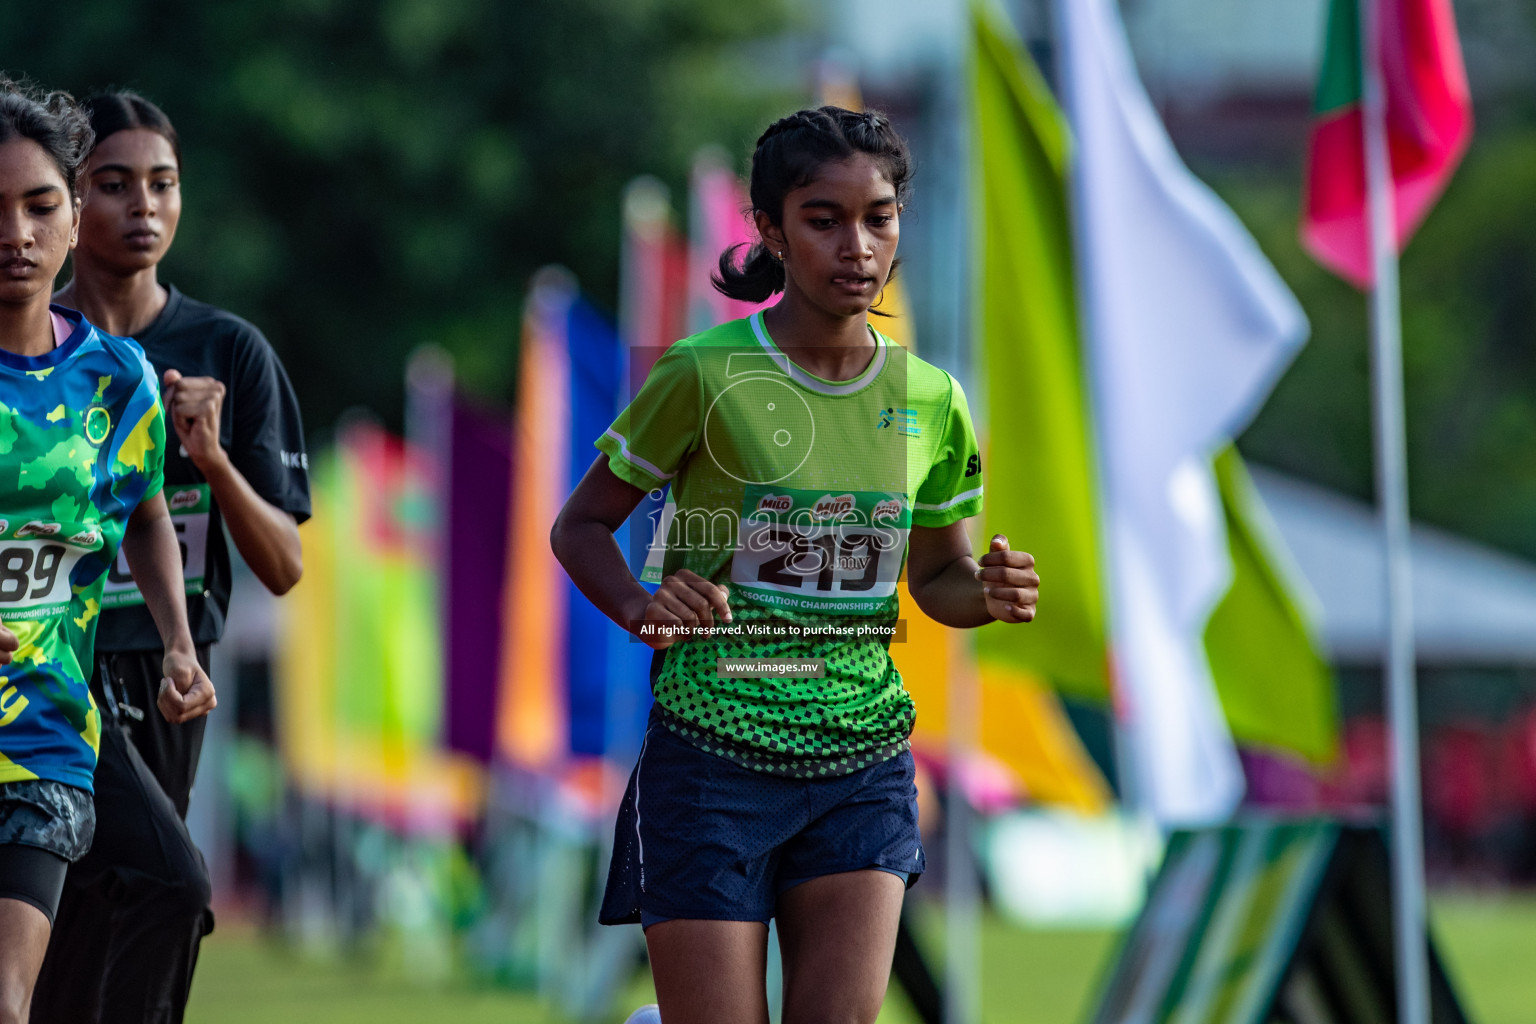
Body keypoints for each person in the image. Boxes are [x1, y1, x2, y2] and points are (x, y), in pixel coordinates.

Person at [550, 106, 1040, 1024]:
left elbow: (939, 580)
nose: (857, 245)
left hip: (864, 760)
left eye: (879, 217)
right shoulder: (702, 374)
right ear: (770, 229)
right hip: (711, 759)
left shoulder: (932, 400)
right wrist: (641, 604)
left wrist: (989, 592)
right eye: (824, 218)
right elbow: (580, 526)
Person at [33, 91, 310, 1024]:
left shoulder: (227, 351)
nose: (143, 207)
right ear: (69, 201)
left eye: (163, 184)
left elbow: (282, 566)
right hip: (55, 659)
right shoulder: (38, 354)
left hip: (168, 677)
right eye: (114, 185)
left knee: (124, 909)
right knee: (165, 882)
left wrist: (213, 460)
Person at [0, 77, 215, 1024]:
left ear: (72, 212)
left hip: (43, 734)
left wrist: (176, 640)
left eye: (40, 206)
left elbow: (141, 510)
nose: (17, 234)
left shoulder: (117, 376)